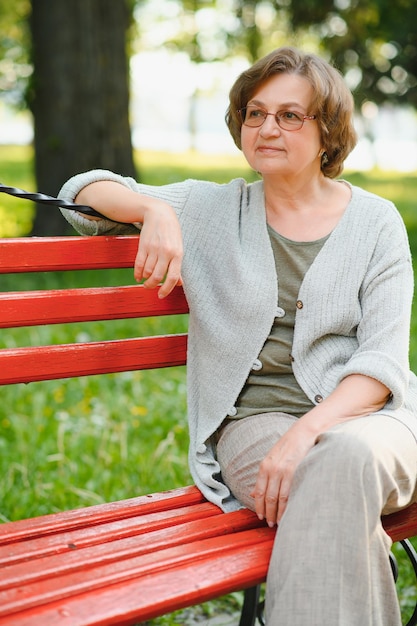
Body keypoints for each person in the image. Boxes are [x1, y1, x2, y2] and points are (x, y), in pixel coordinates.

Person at [59, 47, 417, 625]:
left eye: (290, 115)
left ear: (328, 132)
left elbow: (381, 364)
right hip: (255, 431)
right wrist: (154, 210)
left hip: (375, 421)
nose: (267, 128)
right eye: (255, 113)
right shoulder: (210, 208)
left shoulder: (375, 223)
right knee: (336, 487)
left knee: (341, 459)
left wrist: (307, 434)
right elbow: (81, 191)